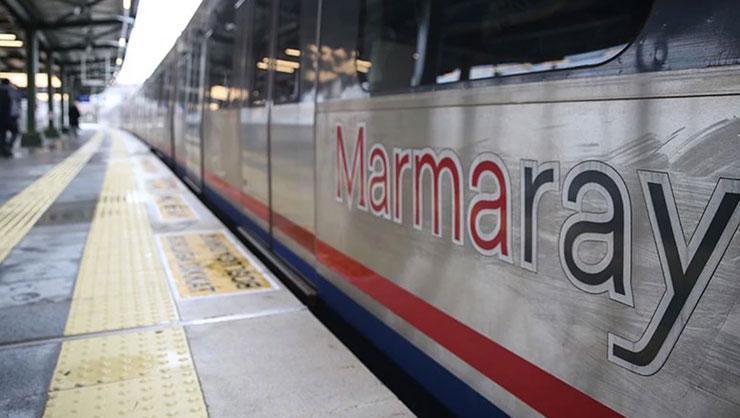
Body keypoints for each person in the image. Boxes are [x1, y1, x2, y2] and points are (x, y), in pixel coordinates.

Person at [0, 79, 13, 157]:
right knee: (14, 131)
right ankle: (6, 148)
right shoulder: (9, 91)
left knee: (2, 134)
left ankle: (4, 149)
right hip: (6, 117)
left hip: (3, 117)